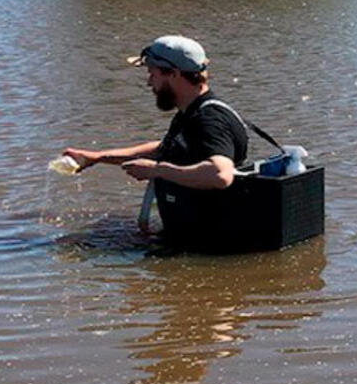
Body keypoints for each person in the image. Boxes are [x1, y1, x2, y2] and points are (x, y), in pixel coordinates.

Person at [63, 35, 248, 247]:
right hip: (194, 237)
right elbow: (165, 149)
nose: (149, 82)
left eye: (152, 74)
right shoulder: (191, 112)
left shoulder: (209, 119)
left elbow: (220, 174)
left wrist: (156, 170)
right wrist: (96, 157)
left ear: (174, 74)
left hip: (206, 245)